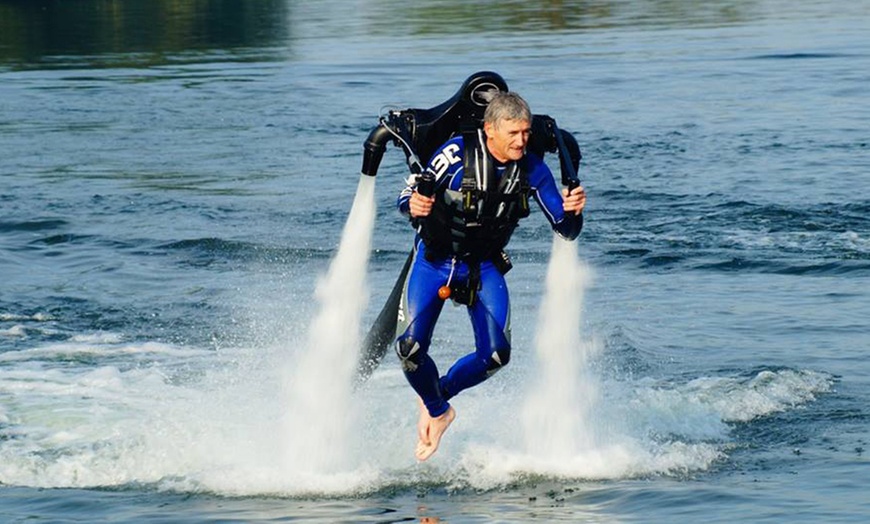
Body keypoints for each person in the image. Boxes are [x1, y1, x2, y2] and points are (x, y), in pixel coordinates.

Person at [395, 91, 587, 461]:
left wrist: (575, 210)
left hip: (482, 267)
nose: (521, 141)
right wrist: (412, 205)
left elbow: (566, 230)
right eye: (513, 133)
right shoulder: (454, 155)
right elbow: (409, 194)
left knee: (497, 355)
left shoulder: (532, 169)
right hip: (433, 262)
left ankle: (439, 396)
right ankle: (439, 411)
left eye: (526, 133)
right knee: (410, 350)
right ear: (489, 130)